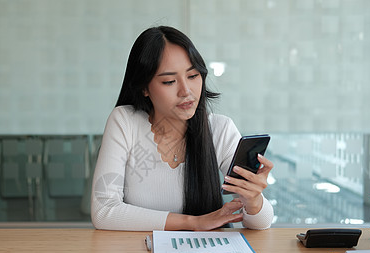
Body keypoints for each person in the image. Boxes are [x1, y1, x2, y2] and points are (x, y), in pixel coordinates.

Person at [91, 26, 274, 231]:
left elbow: (261, 224)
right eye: (169, 81)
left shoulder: (220, 129)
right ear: (144, 87)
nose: (186, 91)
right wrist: (194, 222)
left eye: (193, 76)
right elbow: (104, 210)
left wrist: (254, 199)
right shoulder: (125, 121)